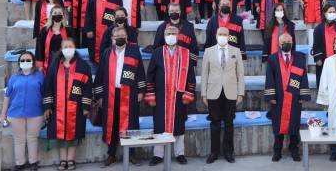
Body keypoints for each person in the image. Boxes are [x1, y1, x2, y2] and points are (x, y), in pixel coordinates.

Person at [94, 27, 146, 167]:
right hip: (110, 94)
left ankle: (132, 154)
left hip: (130, 93)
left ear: (127, 37)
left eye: (122, 35)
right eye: (117, 36)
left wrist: (141, 91)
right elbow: (99, 77)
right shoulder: (106, 53)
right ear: (112, 38)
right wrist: (100, 95)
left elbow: (140, 72)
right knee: (111, 124)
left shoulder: (134, 52)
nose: (120, 38)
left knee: (131, 123)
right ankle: (111, 154)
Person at [146, 25, 196, 165]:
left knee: (179, 126)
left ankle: (179, 153)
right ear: (164, 34)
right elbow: (150, 75)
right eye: (168, 33)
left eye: (173, 33)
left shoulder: (186, 53)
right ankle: (158, 155)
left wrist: (188, 94)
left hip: (179, 97)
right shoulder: (157, 53)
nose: (171, 35)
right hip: (161, 97)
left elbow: (191, 77)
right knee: (159, 126)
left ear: (178, 35)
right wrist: (150, 95)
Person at [43, 39, 92, 171]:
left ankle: (71, 159)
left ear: (75, 48)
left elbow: (87, 88)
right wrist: (47, 106)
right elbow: (47, 87)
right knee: (60, 136)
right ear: (61, 48)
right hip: (57, 107)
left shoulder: (83, 65)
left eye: (70, 46)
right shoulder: (54, 65)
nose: (68, 48)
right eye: (65, 46)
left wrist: (86, 106)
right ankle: (63, 160)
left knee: (73, 136)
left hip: (76, 107)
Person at [202, 26, 246, 164]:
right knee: (214, 123)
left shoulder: (236, 51)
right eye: (220, 33)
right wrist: (204, 94)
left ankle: (228, 152)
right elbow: (204, 74)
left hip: (231, 92)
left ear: (229, 36)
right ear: (216, 35)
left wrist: (240, 93)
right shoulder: (208, 51)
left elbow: (240, 74)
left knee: (229, 123)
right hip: (213, 92)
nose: (222, 36)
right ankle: (214, 152)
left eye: (225, 34)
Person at [264, 33, 310, 162]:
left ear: (292, 42)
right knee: (278, 125)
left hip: (295, 97)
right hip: (278, 98)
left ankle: (294, 149)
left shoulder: (300, 57)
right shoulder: (272, 59)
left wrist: (303, 95)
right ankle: (277, 150)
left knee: (294, 125)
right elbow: (270, 78)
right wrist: (271, 96)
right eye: (284, 41)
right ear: (279, 44)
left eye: (289, 41)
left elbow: (303, 77)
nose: (286, 43)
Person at [0, 51, 44, 171]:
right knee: (19, 139)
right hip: (15, 113)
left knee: (32, 137)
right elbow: (7, 96)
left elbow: (45, 94)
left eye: (28, 60)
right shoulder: (14, 78)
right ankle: (20, 163)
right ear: (19, 63)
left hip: (35, 113)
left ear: (33, 62)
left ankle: (33, 162)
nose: (25, 62)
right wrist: (3, 114)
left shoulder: (40, 76)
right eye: (23, 60)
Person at [84, 0, 122, 65]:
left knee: (110, 54)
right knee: (95, 55)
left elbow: (120, 13)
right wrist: (88, 29)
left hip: (111, 30)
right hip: (95, 30)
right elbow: (88, 14)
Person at [312, 3, 336, 88]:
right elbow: (316, 45)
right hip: (324, 62)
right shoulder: (318, 29)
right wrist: (318, 58)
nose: (332, 13)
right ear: (325, 14)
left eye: (334, 12)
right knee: (324, 85)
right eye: (330, 12)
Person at [35, 5, 70, 73]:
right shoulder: (44, 31)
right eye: (55, 13)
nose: (57, 15)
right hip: (49, 63)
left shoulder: (69, 30)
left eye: (60, 13)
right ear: (51, 15)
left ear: (63, 16)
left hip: (64, 61)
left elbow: (72, 47)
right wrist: (40, 65)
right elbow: (39, 48)